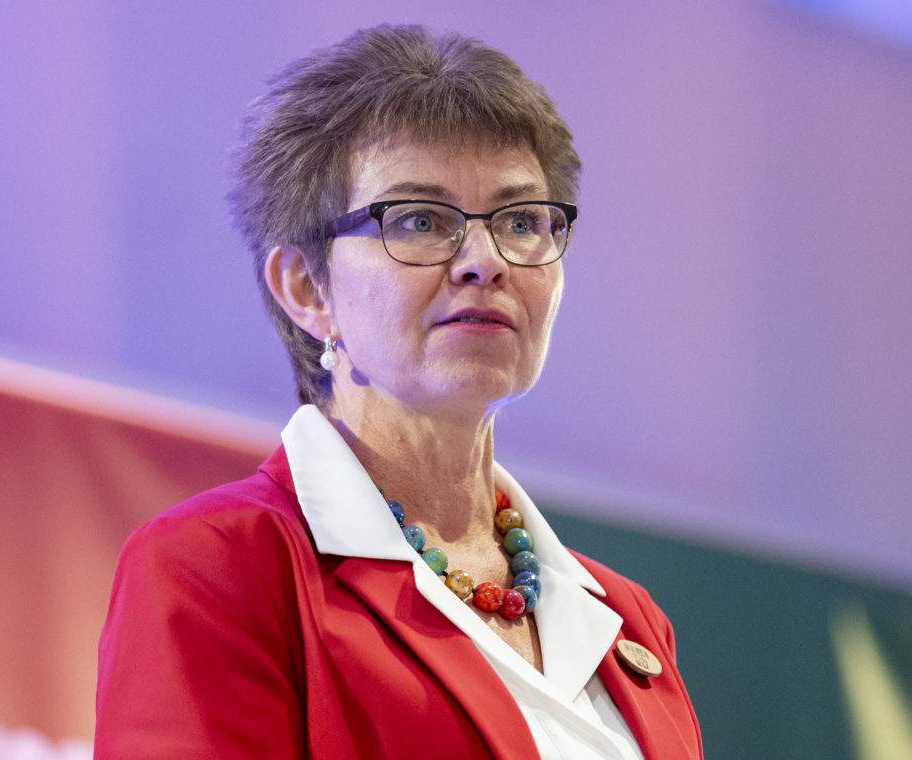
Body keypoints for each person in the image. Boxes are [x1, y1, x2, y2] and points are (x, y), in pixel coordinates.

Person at [95, 24, 702, 760]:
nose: (485, 261)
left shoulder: (630, 622)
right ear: (307, 287)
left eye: (519, 221)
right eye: (420, 220)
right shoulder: (220, 567)